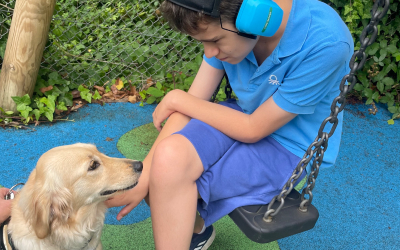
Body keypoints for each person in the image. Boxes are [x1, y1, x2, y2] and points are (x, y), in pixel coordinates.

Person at [106, 0, 354, 249]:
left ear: (255, 18)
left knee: (167, 181)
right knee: (164, 162)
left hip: (286, 145)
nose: (210, 52)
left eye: (214, 40)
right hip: (240, 116)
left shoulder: (326, 42)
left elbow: (252, 128)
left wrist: (178, 98)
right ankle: (196, 232)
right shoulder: (226, 22)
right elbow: (192, 103)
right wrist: (144, 176)